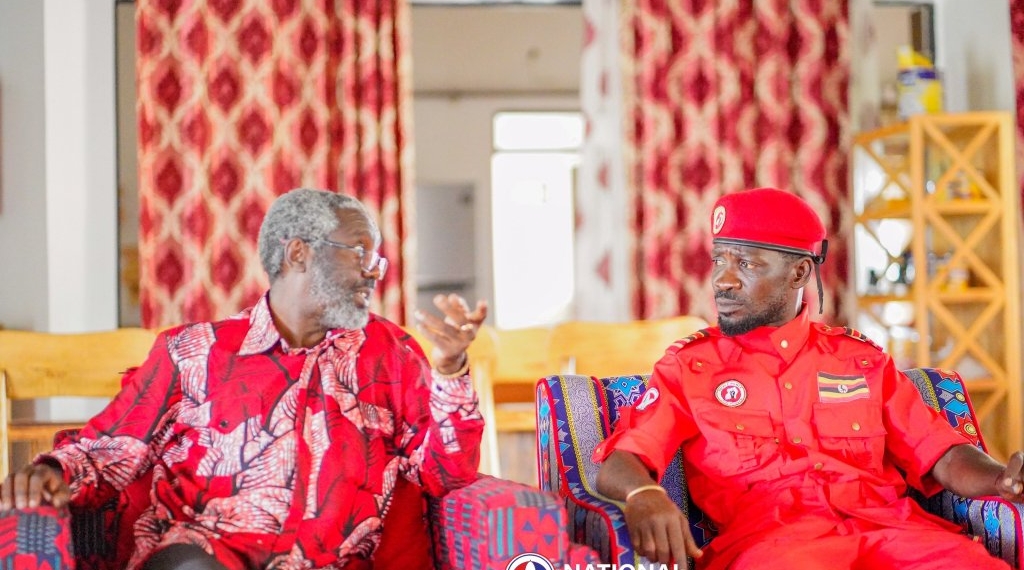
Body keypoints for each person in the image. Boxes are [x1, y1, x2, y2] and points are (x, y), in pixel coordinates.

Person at [0, 188, 488, 570]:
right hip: (201, 555)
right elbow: (109, 450)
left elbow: (445, 475)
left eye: (376, 258)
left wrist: (449, 372)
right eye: (359, 253)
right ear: (299, 253)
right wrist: (52, 473)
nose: (373, 272)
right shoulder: (193, 352)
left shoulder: (390, 353)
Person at [593, 187, 1024, 570]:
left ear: (799, 273)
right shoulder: (691, 368)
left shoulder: (862, 361)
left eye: (745, 262)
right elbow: (622, 459)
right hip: (775, 544)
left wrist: (1001, 479)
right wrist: (641, 495)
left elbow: (943, 455)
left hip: (894, 531)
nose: (722, 279)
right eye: (719, 259)